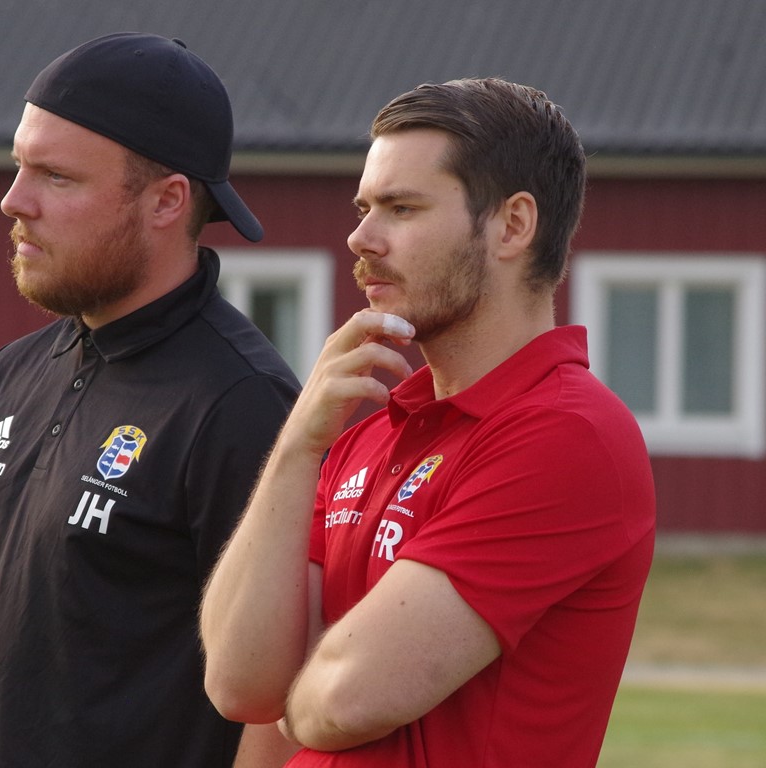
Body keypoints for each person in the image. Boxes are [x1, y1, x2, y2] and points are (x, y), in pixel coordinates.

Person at [201, 78, 656, 767]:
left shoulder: (569, 433)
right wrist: (297, 445)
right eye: (363, 208)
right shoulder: (364, 433)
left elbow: (348, 698)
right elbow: (238, 684)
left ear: (512, 225)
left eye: (401, 208)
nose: (360, 237)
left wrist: (297, 687)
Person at [0, 33, 300, 768]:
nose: (14, 201)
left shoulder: (242, 404)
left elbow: (270, 708)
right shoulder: (12, 373)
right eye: (19, 166)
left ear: (167, 200)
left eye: (56, 177)